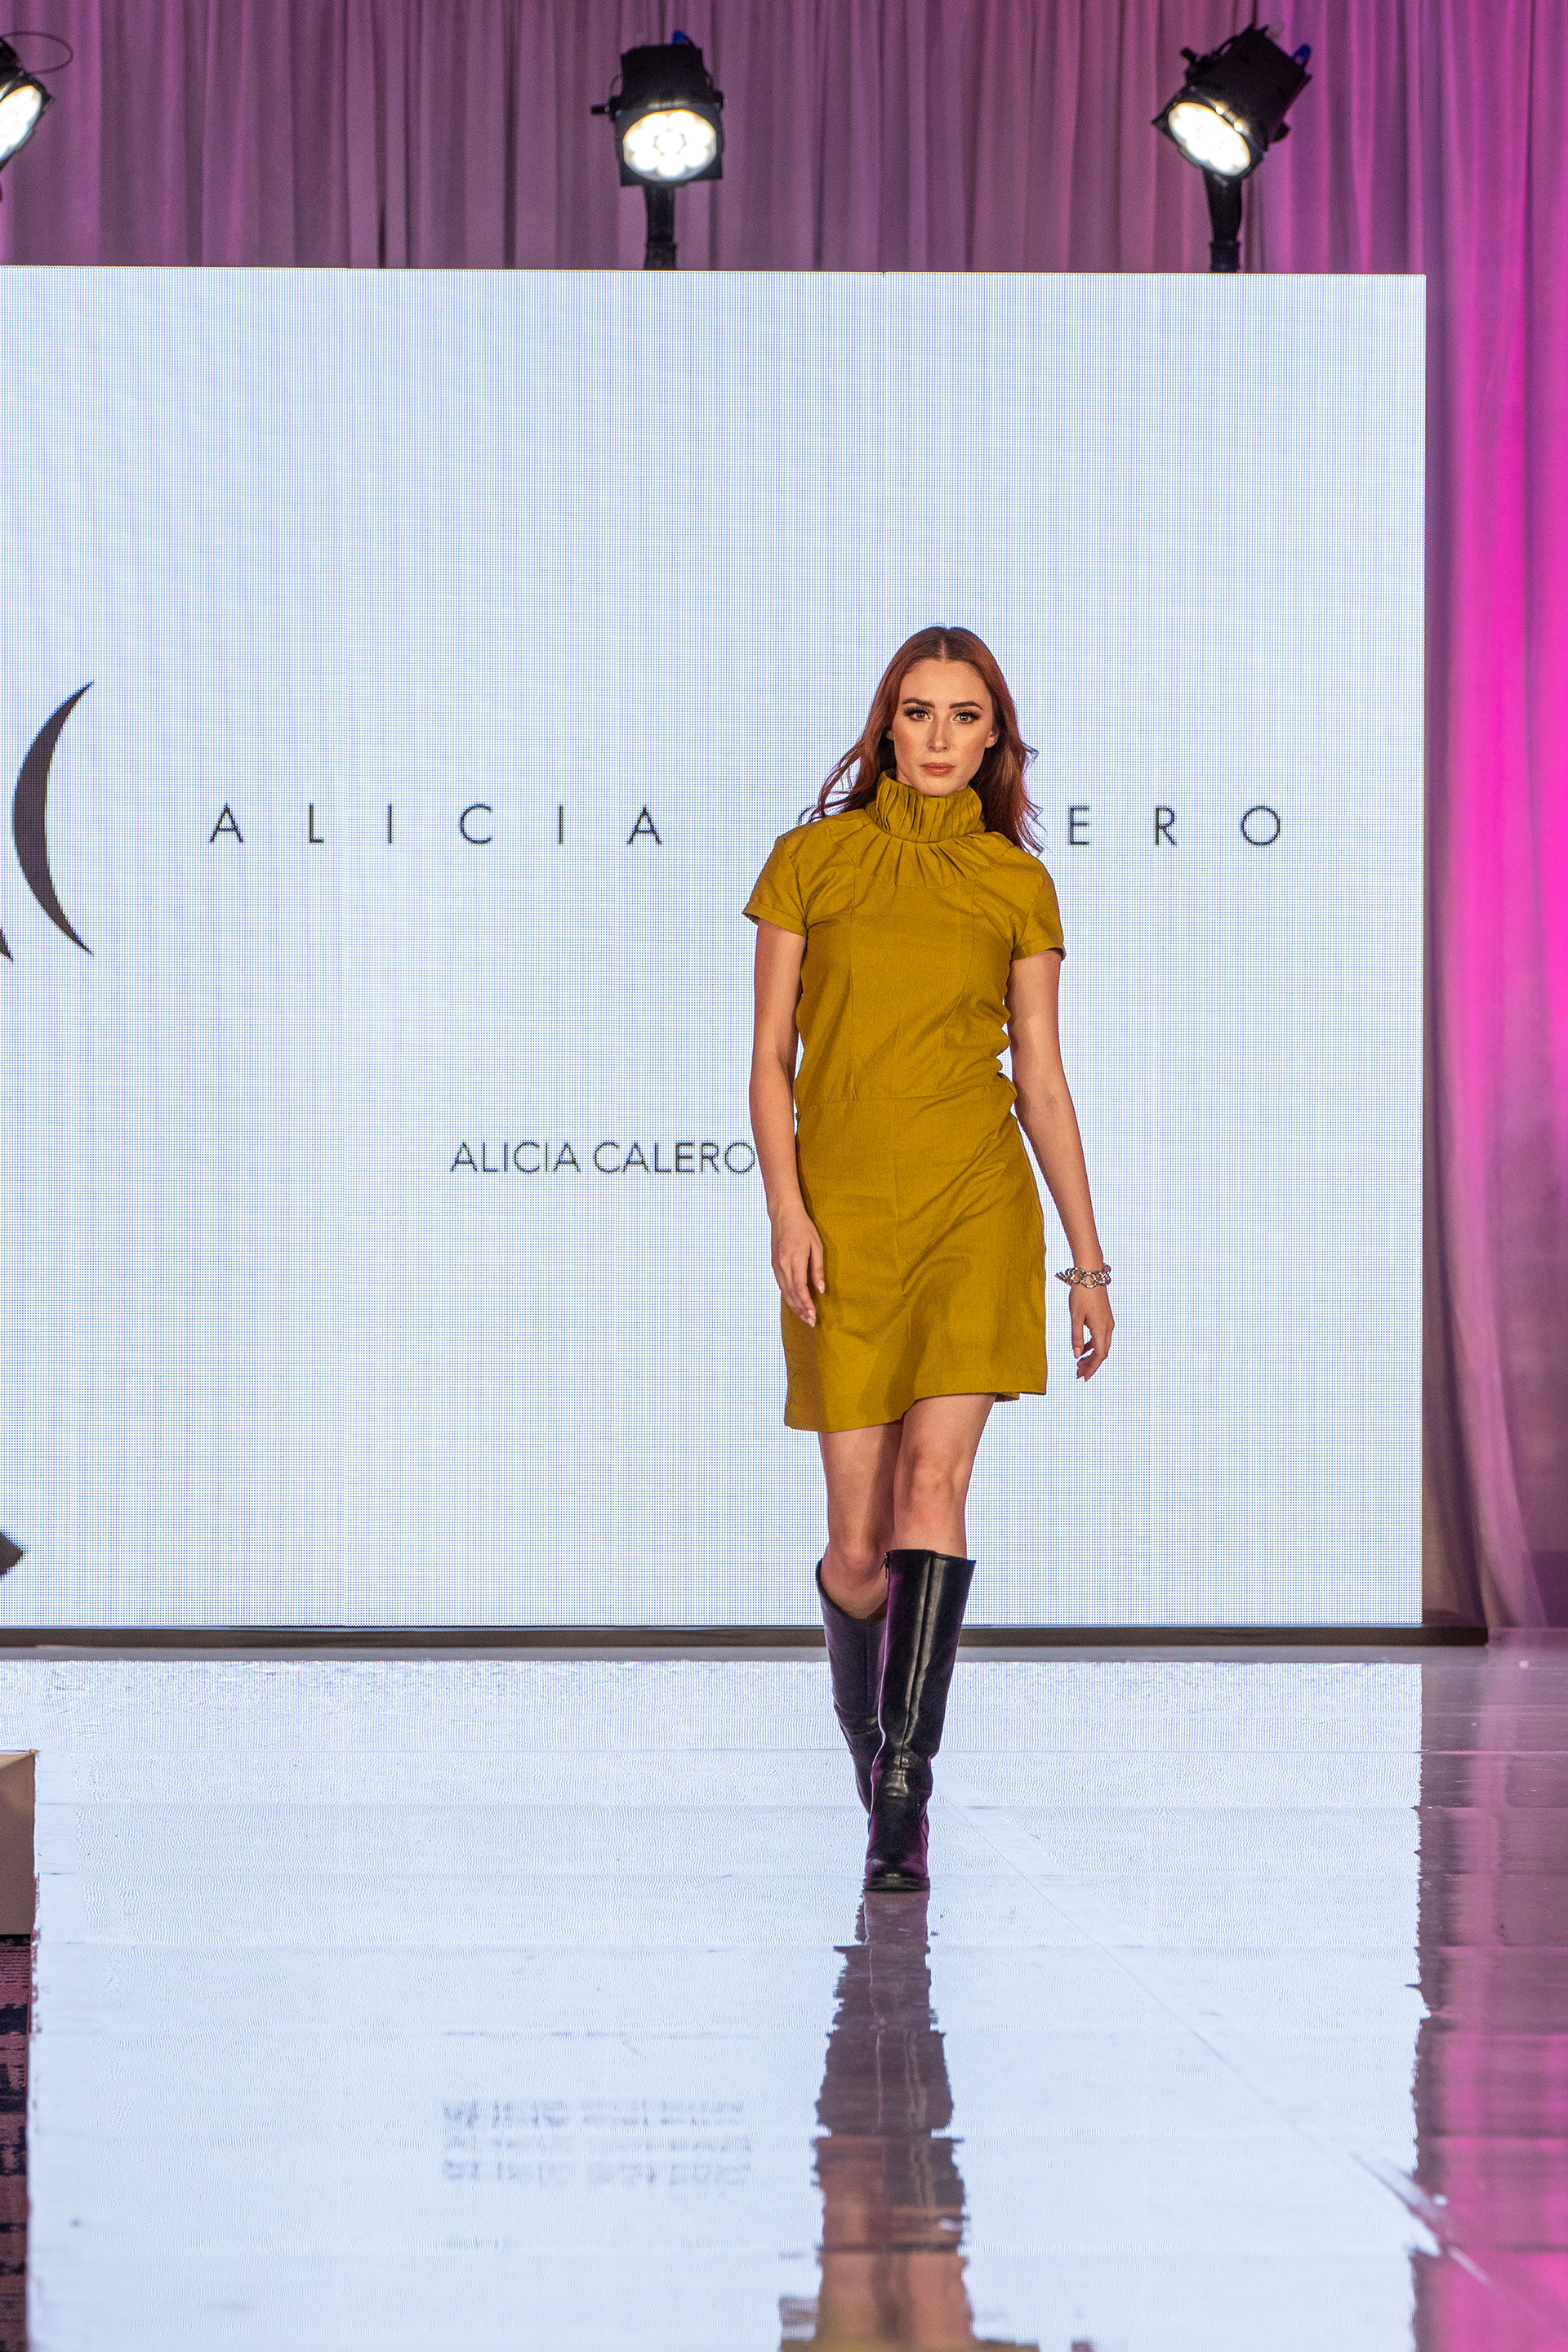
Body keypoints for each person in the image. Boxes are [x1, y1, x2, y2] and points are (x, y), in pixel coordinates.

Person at [745, 626, 1111, 1893]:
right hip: (845, 1218)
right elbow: (769, 1061)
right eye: (919, 711)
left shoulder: (1017, 884)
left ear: (995, 736)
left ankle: (902, 1796)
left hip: (975, 1209)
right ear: (886, 726)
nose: (941, 735)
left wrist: (1088, 1263)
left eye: (966, 715)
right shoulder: (810, 862)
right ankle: (878, 1760)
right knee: (857, 1550)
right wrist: (788, 1214)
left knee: (933, 1494)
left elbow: (1042, 1082)